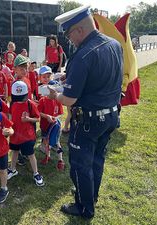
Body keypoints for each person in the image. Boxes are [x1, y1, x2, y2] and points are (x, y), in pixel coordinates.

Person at [50, 5, 123, 218]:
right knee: (97, 160)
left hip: (88, 121)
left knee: (81, 165)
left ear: (79, 30)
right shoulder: (114, 44)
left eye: (69, 34)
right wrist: (69, 78)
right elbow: (102, 77)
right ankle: (91, 194)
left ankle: (84, 207)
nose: (70, 39)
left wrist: (55, 95)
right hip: (110, 116)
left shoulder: (82, 55)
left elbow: (69, 99)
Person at [7, 81, 44, 187]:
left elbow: (38, 118)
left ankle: (36, 173)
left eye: (22, 97)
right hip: (15, 135)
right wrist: (9, 126)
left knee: (31, 154)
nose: (20, 100)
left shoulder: (30, 104)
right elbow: (10, 115)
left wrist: (28, 119)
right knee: (14, 152)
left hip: (27, 135)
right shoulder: (13, 103)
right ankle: (12, 169)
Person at [37, 66, 65, 170]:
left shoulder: (57, 99)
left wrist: (54, 119)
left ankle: (60, 160)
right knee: (46, 141)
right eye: (44, 77)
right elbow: (38, 112)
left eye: (49, 76)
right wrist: (47, 116)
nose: (54, 93)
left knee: (57, 143)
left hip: (54, 125)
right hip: (45, 125)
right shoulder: (42, 100)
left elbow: (60, 113)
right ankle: (47, 157)